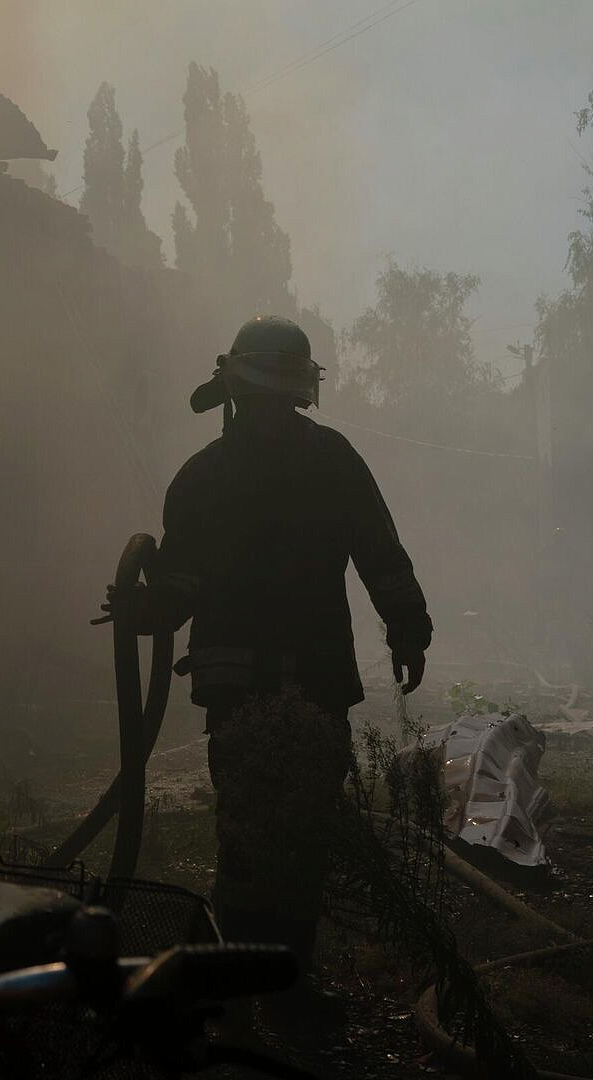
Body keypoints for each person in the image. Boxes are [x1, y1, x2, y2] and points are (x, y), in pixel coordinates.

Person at [115, 315, 432, 979]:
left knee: (306, 831)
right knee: (245, 830)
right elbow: (181, 583)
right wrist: (147, 610)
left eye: (275, 399)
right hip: (242, 688)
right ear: (238, 395)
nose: (266, 412)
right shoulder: (209, 478)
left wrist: (407, 625)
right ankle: (242, 979)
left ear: (293, 397)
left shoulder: (320, 463)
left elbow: (380, 554)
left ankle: (286, 977)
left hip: (312, 681)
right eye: (258, 399)